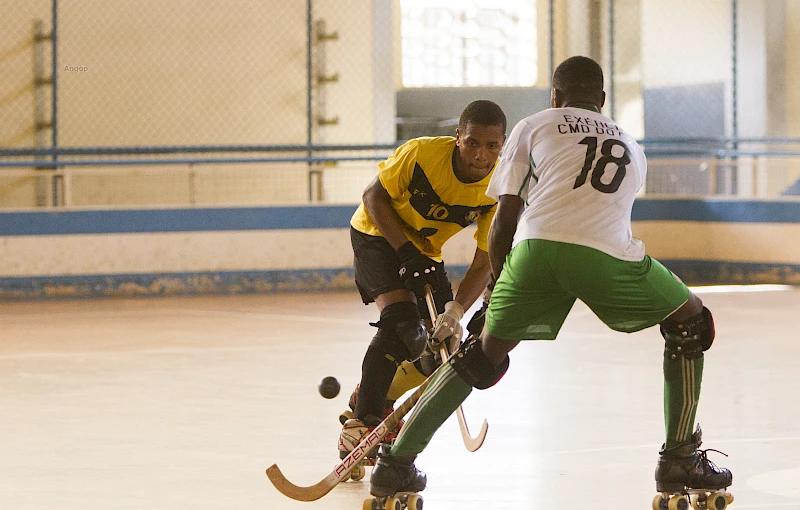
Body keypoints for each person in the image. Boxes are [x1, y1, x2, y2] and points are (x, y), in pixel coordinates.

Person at [367, 56, 733, 499]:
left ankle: (397, 464)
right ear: (601, 100)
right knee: (691, 323)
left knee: (480, 358)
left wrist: (497, 295)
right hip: (606, 255)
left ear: (555, 97)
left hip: (534, 252)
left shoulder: (536, 124)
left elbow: (504, 221)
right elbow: (602, 214)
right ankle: (680, 459)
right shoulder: (630, 145)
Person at [338, 100, 508, 466]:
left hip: (425, 252)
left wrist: (457, 309)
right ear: (457, 136)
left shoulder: (500, 187)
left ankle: (374, 396)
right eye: (473, 143)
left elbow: (485, 259)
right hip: (377, 236)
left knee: (439, 349)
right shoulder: (422, 154)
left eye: (492, 146)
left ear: (503, 144)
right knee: (401, 322)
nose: (481, 155)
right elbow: (372, 198)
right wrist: (405, 252)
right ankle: (361, 422)